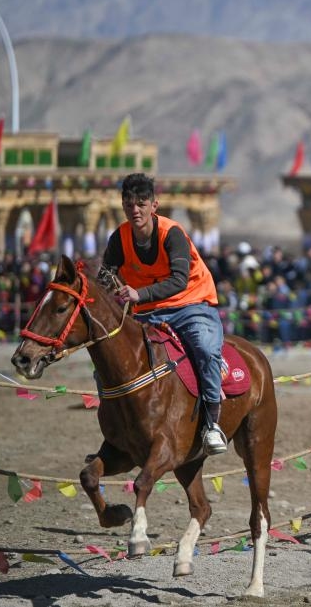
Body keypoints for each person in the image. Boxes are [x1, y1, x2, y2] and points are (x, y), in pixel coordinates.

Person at [100, 172, 228, 456]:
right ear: (122, 205)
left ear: (154, 205)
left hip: (190, 304)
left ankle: (211, 424)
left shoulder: (172, 234)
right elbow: (105, 272)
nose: (135, 209)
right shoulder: (119, 238)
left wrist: (139, 294)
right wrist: (108, 284)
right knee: (110, 357)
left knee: (205, 350)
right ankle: (117, 428)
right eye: (129, 203)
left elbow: (179, 280)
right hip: (147, 312)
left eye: (141, 203)